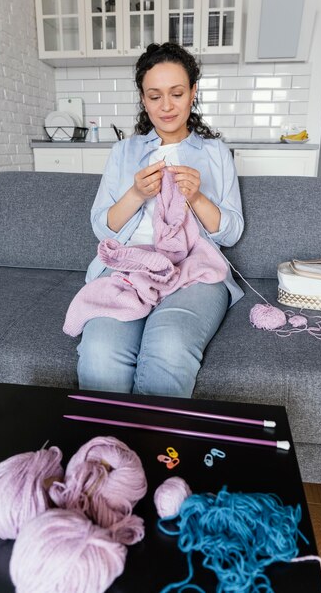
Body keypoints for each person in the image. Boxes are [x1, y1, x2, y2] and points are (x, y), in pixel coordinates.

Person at [77, 42, 244, 397]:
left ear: (193, 93)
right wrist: (136, 194)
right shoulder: (123, 152)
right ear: (143, 98)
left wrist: (197, 198)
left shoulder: (216, 153)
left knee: (168, 345)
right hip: (131, 265)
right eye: (155, 96)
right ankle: (105, 451)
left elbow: (231, 233)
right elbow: (100, 226)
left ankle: (154, 451)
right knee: (100, 352)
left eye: (177, 93)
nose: (166, 106)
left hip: (195, 270)